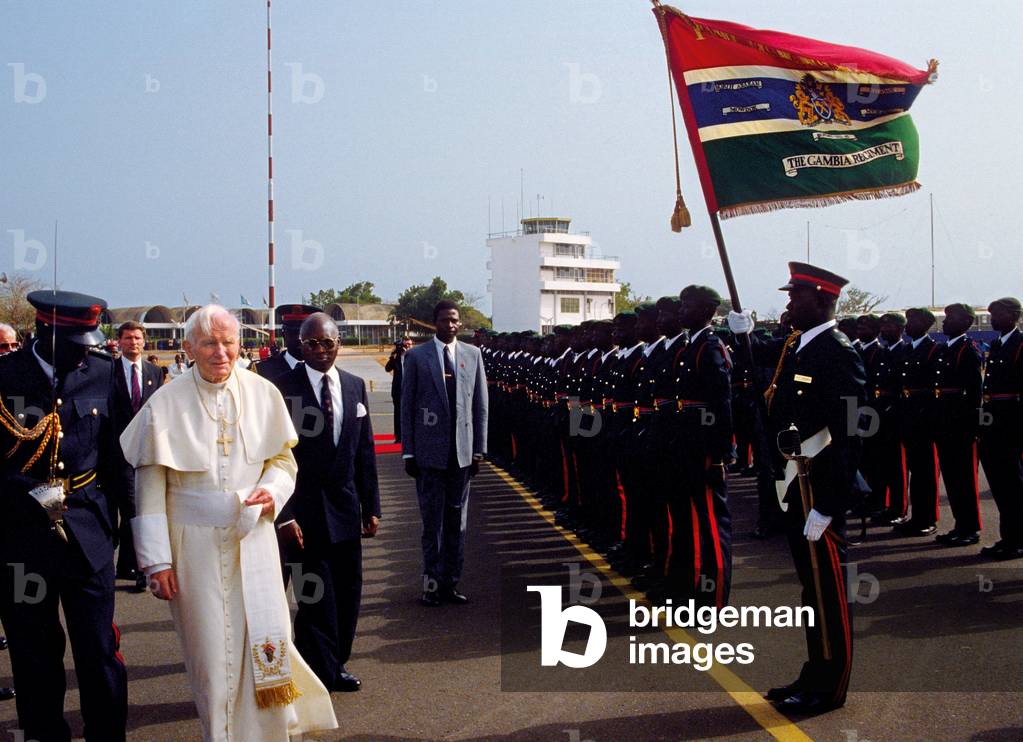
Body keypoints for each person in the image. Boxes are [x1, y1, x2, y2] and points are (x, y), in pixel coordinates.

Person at [119, 304, 337, 741]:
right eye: (209, 343)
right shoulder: (165, 403)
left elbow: (282, 462)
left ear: (241, 344)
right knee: (211, 656)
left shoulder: (262, 393)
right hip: (192, 545)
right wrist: (156, 561)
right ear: (188, 348)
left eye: (229, 342)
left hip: (252, 537)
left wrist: (272, 492)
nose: (221, 352)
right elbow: (149, 489)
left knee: (265, 641)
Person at [729, 262, 864, 714]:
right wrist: (742, 335)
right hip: (794, 483)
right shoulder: (798, 346)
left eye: (796, 297)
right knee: (811, 592)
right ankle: (815, 671)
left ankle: (831, 687)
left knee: (827, 591)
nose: (788, 303)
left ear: (823, 301)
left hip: (817, 490)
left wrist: (829, 504)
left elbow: (850, 434)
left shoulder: (836, 350)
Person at [0, 290, 128, 740]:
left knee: (98, 649)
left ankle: (107, 733)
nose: (86, 350)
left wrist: (135, 535)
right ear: (45, 333)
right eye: (76, 341)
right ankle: (43, 732)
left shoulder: (102, 371)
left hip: (87, 533)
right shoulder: (5, 375)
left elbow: (118, 458)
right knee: (34, 650)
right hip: (20, 539)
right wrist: (29, 492)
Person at [274, 313, 381, 693]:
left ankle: (335, 661)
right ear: (300, 346)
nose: (320, 350)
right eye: (312, 344)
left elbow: (364, 452)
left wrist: (372, 507)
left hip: (346, 509)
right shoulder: (282, 388)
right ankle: (319, 670)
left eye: (327, 343)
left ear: (339, 343)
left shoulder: (354, 387)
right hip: (302, 515)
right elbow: (271, 458)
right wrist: (284, 518)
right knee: (312, 595)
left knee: (348, 591)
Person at [401, 300, 488, 606]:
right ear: (434, 322)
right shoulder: (416, 357)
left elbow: (480, 406)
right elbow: (407, 407)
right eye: (444, 320)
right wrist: (408, 452)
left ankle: (451, 583)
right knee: (431, 524)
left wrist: (479, 450)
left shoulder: (473, 355)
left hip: (462, 457)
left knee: (457, 523)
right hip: (429, 456)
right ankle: (432, 584)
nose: (450, 325)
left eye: (454, 321)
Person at [111, 321, 164, 592]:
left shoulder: (155, 372)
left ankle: (138, 568)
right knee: (123, 509)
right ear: (119, 342)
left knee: (137, 508)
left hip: (145, 454)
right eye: (129, 338)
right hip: (116, 454)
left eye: (138, 338)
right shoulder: (108, 371)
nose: (134, 343)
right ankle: (124, 565)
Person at [931, 303, 983, 547]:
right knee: (952, 480)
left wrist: (970, 426)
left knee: (965, 480)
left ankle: (970, 528)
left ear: (966, 323)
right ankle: (960, 525)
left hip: (960, 426)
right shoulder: (944, 349)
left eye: (952, 317)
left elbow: (973, 394)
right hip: (944, 424)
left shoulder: (968, 349)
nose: (946, 321)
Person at [978, 297, 1023, 560]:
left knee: (1015, 487)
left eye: (997, 313)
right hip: (995, 426)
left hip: (1013, 426)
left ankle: (1018, 540)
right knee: (1002, 485)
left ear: (1013, 315)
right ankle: (1008, 537)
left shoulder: (1019, 345)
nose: (992, 318)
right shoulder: (997, 344)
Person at [255, 304, 320, 381]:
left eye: (304, 334)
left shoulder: (320, 369)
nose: (299, 338)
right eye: (293, 333)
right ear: (284, 334)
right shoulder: (262, 371)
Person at [384, 336, 412, 442]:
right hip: (398, 390)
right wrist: (393, 355)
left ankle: (411, 436)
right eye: (406, 345)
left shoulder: (414, 356)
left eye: (410, 344)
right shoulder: (397, 357)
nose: (408, 347)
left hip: (411, 390)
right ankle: (399, 437)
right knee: (398, 415)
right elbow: (387, 369)